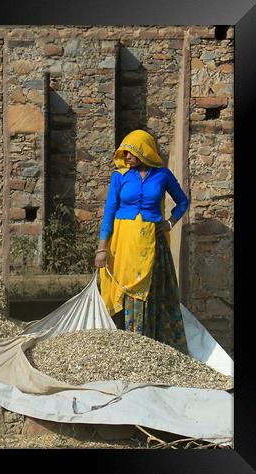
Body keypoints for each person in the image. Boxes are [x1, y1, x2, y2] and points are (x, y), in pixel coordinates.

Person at [94, 129, 190, 353]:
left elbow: (183, 202)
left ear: (144, 151)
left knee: (152, 292)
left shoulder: (162, 175)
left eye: (131, 152)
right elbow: (109, 212)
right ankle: (122, 346)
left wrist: (169, 223)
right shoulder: (120, 176)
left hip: (153, 246)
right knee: (123, 289)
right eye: (125, 153)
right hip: (123, 242)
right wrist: (101, 248)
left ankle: (149, 346)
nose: (127, 157)